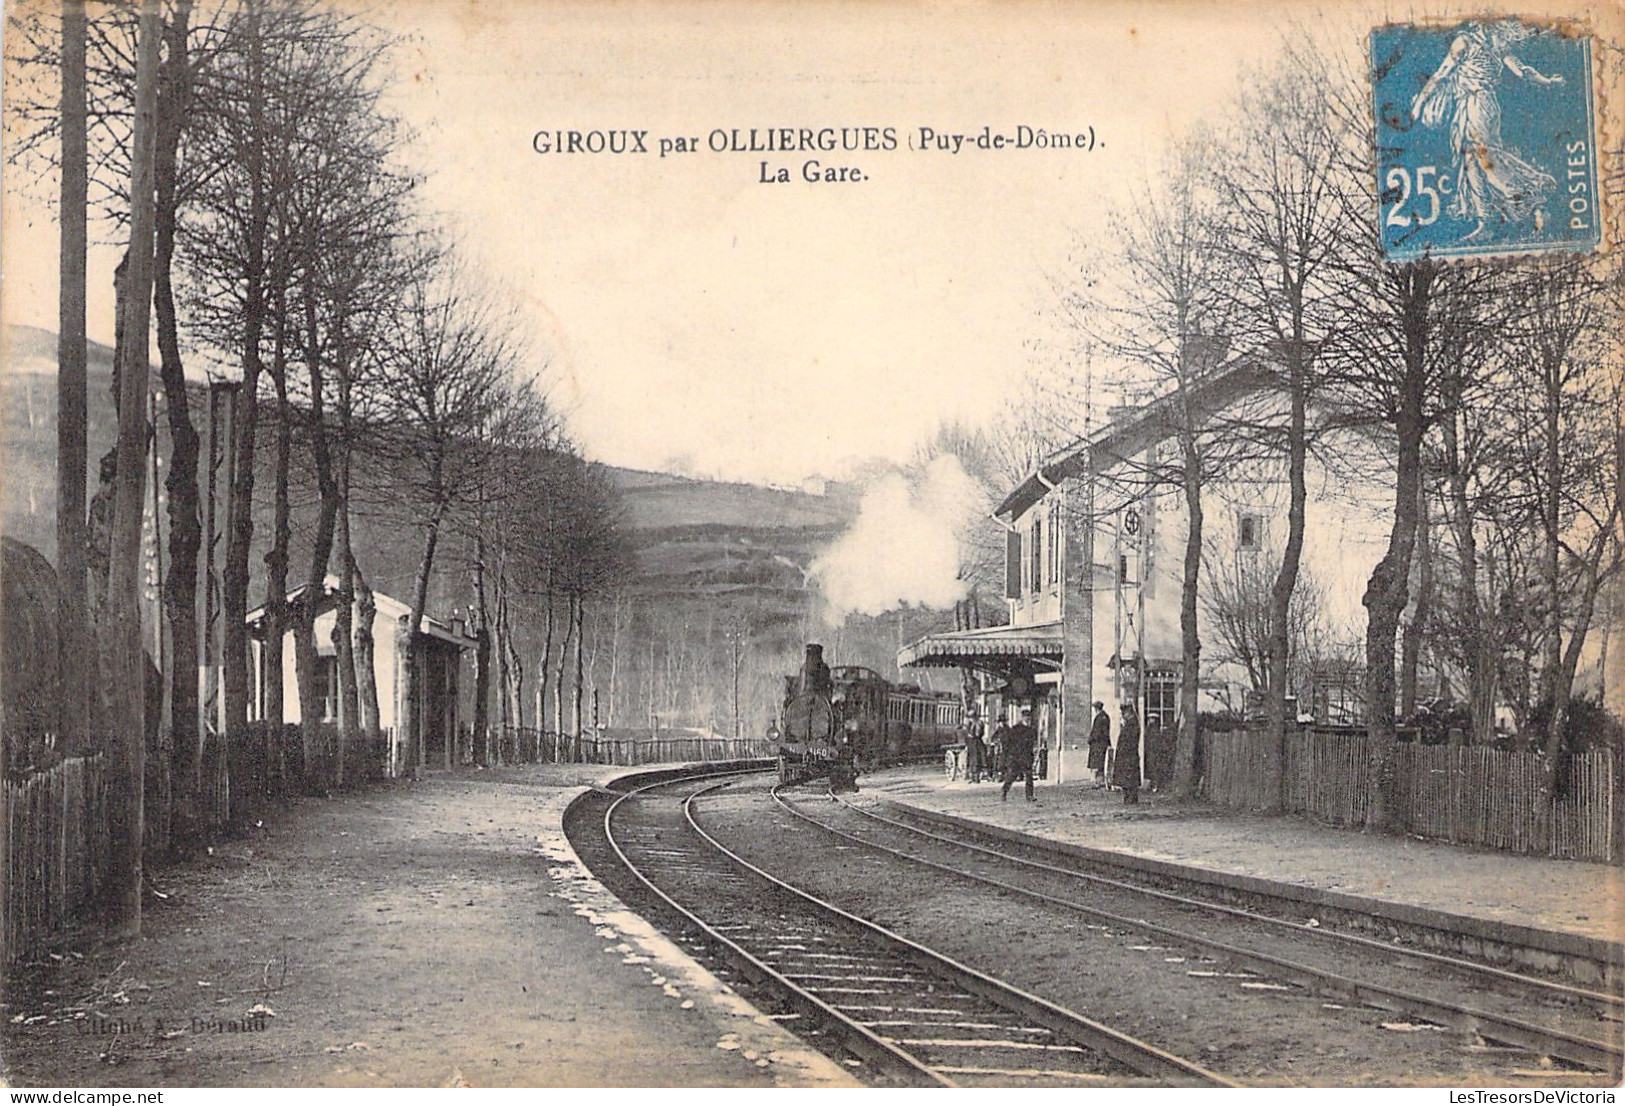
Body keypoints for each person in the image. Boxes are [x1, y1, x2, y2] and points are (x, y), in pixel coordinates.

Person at [1408, 19, 1564, 241]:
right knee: (1470, 161)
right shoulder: (1479, 44)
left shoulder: (1472, 43)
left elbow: (1442, 74)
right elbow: (1523, 71)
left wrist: (1418, 105)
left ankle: (1525, 193)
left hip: (1479, 104)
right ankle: (1487, 221)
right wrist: (1547, 81)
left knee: (1484, 157)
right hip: (1469, 105)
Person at [1001, 705, 1038, 803]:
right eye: (1026, 717)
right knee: (1012, 775)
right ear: (1022, 718)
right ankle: (1004, 791)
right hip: (1016, 756)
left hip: (1027, 756)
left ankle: (1029, 796)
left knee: (1029, 776)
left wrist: (1032, 753)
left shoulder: (1032, 730)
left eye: (1029, 717)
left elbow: (1032, 743)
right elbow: (1010, 742)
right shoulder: (1016, 729)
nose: (1027, 719)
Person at [1112, 704, 1142, 805]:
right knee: (1127, 778)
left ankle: (1131, 798)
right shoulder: (1130, 724)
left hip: (1128, 756)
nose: (1123, 716)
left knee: (1129, 778)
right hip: (1126, 755)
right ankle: (1129, 798)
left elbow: (1128, 741)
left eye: (1123, 713)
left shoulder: (1132, 725)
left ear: (1128, 713)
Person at [1087, 701, 1112, 787]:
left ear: (1097, 709)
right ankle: (1099, 781)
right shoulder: (1105, 717)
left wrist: (1091, 739)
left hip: (1098, 744)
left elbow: (1098, 732)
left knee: (1097, 762)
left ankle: (1098, 781)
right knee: (1099, 762)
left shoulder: (1101, 718)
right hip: (1101, 743)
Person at [963, 708, 986, 783]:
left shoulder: (978, 723)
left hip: (976, 743)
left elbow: (977, 733)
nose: (970, 719)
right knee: (971, 759)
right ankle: (972, 777)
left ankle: (976, 777)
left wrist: (971, 734)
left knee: (976, 759)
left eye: (971, 717)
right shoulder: (971, 723)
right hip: (972, 743)